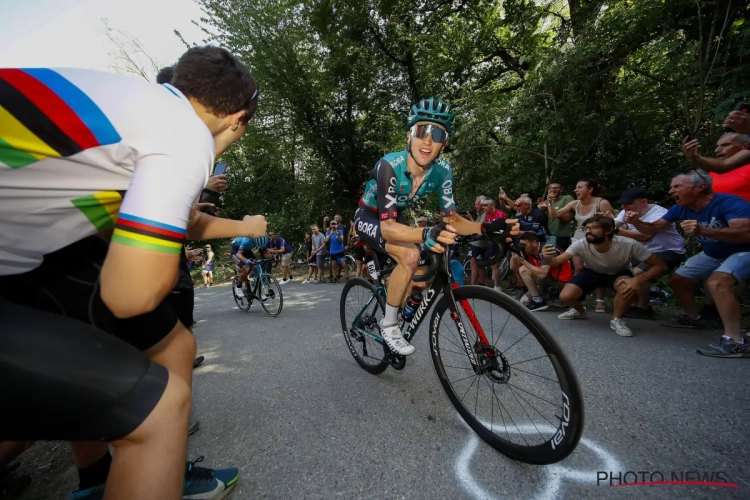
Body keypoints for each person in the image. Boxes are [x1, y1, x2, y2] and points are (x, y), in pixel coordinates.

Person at [0, 45, 265, 499]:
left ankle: (111, 478)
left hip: (26, 263)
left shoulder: (134, 106)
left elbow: (107, 231)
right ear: (237, 118)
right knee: (160, 410)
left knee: (169, 345)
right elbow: (130, 293)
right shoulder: (186, 135)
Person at [354, 97, 518, 355]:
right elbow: (387, 229)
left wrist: (485, 228)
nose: (428, 141)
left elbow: (451, 220)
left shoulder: (442, 170)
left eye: (437, 133)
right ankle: (389, 325)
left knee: (424, 269)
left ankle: (404, 298)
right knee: (410, 254)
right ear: (409, 135)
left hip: (396, 218)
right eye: (422, 131)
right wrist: (427, 231)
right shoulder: (389, 165)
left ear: (445, 142)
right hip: (370, 216)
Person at [625, 170, 750, 357]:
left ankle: (736, 341)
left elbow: (745, 233)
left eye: (677, 187)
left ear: (699, 188)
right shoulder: (681, 208)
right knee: (678, 281)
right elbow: (652, 229)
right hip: (712, 253)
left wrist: (704, 230)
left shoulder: (730, 202)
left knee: (717, 282)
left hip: (743, 250)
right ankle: (693, 318)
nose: (670, 191)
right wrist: (636, 221)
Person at [542, 215, 668, 337]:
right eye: (586, 228)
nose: (588, 231)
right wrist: (547, 257)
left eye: (594, 228)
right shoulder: (580, 244)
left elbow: (661, 266)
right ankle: (580, 311)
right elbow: (555, 262)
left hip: (618, 272)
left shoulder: (629, 244)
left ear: (608, 230)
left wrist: (638, 279)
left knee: (627, 287)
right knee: (565, 296)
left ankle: (616, 319)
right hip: (592, 271)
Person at [613, 188, 686, 318]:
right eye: (623, 203)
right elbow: (612, 225)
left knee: (639, 272)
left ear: (643, 201)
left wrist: (618, 231)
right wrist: (603, 223)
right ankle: (633, 305)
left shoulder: (659, 213)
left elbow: (645, 235)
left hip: (669, 250)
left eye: (629, 203)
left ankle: (643, 307)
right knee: (619, 270)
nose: (624, 206)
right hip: (644, 251)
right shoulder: (626, 211)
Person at [545, 179, 615, 313]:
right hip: (579, 238)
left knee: (598, 268)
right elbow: (554, 214)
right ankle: (578, 300)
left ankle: (600, 301)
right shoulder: (574, 203)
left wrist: (603, 221)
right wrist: (550, 202)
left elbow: (613, 225)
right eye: (576, 187)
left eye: (579, 187)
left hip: (597, 239)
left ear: (590, 190)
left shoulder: (602, 203)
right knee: (578, 268)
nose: (576, 190)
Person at [511, 232, 573, 311]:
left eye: (524, 245)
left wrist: (523, 261)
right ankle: (538, 299)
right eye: (521, 245)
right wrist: (514, 253)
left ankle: (538, 301)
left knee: (523, 269)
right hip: (544, 282)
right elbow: (513, 268)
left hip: (560, 282)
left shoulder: (547, 249)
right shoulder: (529, 250)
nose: (522, 247)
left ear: (534, 243)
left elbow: (542, 274)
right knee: (523, 302)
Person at [682, 132, 750, 201]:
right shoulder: (713, 171)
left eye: (725, 145)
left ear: (745, 147)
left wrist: (697, 158)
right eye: (717, 146)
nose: (717, 150)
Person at [537, 182, 574, 250]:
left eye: (556, 188)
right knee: (549, 257)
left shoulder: (567, 198)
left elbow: (567, 218)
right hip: (549, 235)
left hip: (561, 235)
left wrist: (548, 209)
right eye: (551, 188)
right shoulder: (548, 202)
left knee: (559, 257)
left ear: (561, 189)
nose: (553, 189)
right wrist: (541, 209)